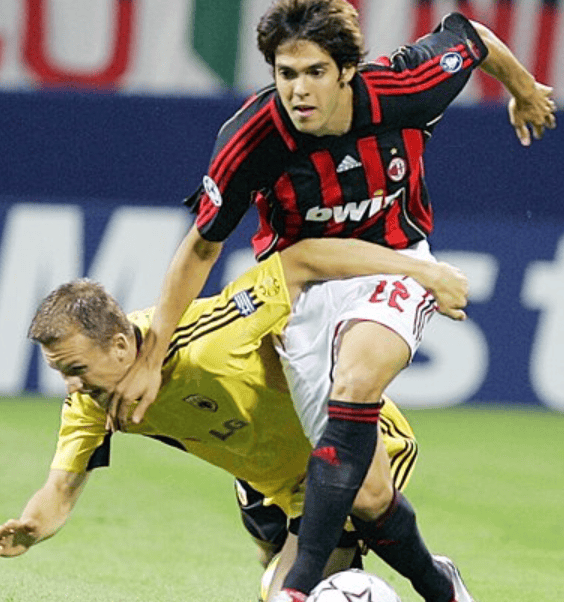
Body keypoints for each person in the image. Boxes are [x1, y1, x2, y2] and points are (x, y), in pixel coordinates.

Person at [107, 2, 556, 600]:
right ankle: (438, 583)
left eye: (315, 72)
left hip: (396, 262)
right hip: (303, 288)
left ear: (346, 70)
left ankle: (297, 586)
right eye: (286, 73)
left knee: (357, 377)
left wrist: (523, 90)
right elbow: (201, 248)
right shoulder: (251, 138)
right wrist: (150, 355)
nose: (299, 89)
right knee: (368, 495)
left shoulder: (405, 88)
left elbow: (470, 35)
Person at [0, 237, 465, 602]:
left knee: (293, 588)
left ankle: (434, 582)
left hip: (353, 448)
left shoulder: (211, 339)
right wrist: (32, 527)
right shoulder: (93, 402)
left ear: (121, 346)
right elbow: (61, 487)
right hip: (267, 481)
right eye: (62, 373)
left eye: (76, 369)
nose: (72, 386)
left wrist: (420, 270)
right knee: (278, 566)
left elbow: (299, 261)